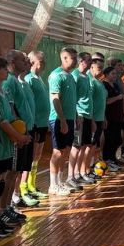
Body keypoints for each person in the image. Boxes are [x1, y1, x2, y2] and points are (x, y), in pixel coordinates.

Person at [0, 56, 31, 237]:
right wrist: (19, 137)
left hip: (5, 146)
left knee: (0, 183)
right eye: (3, 68)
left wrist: (20, 134)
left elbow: (10, 118)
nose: (7, 71)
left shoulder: (1, 92)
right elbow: (1, 122)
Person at [5, 49, 40, 209]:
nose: (27, 63)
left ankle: (15, 198)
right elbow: (11, 109)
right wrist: (19, 134)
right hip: (18, 134)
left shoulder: (19, 82)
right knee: (11, 172)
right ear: (12, 63)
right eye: (23, 60)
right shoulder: (9, 81)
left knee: (18, 170)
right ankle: (7, 206)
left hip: (27, 130)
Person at [48, 47, 79, 195]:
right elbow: (55, 99)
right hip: (58, 119)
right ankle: (53, 185)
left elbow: (72, 100)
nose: (76, 61)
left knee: (66, 151)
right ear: (64, 58)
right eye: (73, 58)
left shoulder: (70, 76)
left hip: (70, 119)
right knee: (58, 152)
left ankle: (60, 182)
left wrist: (75, 117)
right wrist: (62, 120)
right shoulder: (56, 75)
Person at [21, 51, 50, 200]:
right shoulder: (29, 79)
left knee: (37, 156)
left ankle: (32, 185)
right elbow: (28, 103)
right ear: (32, 62)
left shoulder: (39, 79)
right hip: (36, 123)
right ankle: (23, 187)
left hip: (43, 122)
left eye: (44, 61)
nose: (43, 63)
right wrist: (35, 123)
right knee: (30, 156)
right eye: (41, 61)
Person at [69, 52, 96, 187]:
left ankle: (80, 173)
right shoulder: (75, 75)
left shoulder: (86, 77)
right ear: (81, 61)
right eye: (89, 60)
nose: (91, 63)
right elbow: (73, 98)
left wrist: (92, 119)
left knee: (85, 145)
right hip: (79, 115)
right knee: (76, 146)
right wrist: (76, 116)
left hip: (88, 116)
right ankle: (71, 176)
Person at [87, 55, 109, 179]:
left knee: (95, 145)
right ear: (91, 67)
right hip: (93, 119)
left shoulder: (98, 81)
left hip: (100, 118)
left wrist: (104, 117)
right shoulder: (90, 81)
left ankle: (94, 166)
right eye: (98, 68)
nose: (100, 70)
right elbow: (90, 102)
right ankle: (88, 169)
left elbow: (102, 101)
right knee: (90, 146)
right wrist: (92, 120)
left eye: (102, 68)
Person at [102, 66, 124, 172]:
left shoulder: (115, 85)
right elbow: (105, 101)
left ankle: (113, 157)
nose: (115, 75)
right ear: (106, 75)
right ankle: (107, 159)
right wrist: (117, 98)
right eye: (113, 73)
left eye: (116, 74)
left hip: (117, 116)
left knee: (118, 139)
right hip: (109, 116)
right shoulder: (104, 85)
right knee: (110, 139)